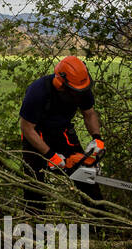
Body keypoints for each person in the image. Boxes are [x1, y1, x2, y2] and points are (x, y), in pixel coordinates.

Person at [18, 56, 105, 211]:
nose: (78, 94)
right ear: (61, 83)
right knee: (34, 184)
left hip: (63, 132)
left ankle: (101, 224)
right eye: (74, 91)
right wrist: (50, 155)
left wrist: (97, 139)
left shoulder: (81, 87)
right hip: (35, 135)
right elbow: (26, 127)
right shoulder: (38, 91)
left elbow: (89, 114)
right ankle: (33, 224)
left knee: (86, 175)